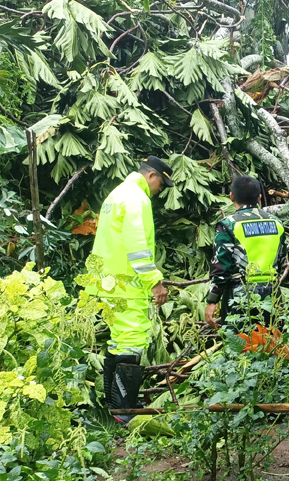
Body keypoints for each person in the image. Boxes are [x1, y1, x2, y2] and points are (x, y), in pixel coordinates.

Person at [90, 156, 173, 423]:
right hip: (128, 282)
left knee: (117, 339)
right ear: (152, 176)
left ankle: (112, 405)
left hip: (108, 280)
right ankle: (124, 413)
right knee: (132, 340)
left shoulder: (116, 194)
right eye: (161, 183)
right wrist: (155, 282)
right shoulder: (138, 199)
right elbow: (137, 246)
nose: (159, 190)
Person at [204, 175, 286, 330]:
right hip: (272, 293)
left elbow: (221, 266)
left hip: (239, 295)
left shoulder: (228, 225)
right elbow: (281, 260)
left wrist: (212, 301)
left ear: (231, 196)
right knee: (273, 345)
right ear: (260, 197)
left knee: (240, 347)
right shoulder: (277, 223)